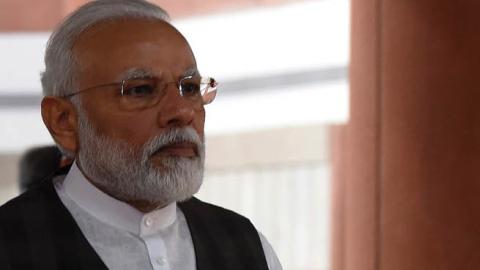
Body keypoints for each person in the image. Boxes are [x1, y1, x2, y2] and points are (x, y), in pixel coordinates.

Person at [0, 1, 282, 269]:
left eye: (191, 88)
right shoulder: (12, 247)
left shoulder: (247, 246)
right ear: (64, 121)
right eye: (141, 89)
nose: (182, 111)